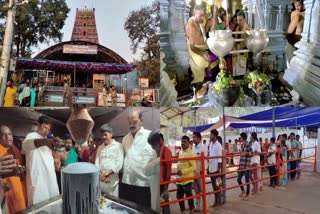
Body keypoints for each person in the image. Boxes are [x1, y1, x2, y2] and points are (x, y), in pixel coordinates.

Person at [22, 116, 61, 206]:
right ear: (38, 125)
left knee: (52, 207)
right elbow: (26, 145)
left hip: (50, 181)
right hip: (38, 182)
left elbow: (52, 160)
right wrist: (44, 142)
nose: (46, 131)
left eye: (48, 129)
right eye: (44, 127)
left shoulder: (48, 141)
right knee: (39, 207)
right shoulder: (31, 136)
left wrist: (56, 152)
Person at [120, 110, 153, 208]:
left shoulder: (149, 136)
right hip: (127, 182)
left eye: (134, 122)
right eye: (129, 123)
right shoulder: (125, 138)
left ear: (141, 120)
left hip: (143, 184)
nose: (132, 125)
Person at [0, 126, 26, 213]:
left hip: (19, 189)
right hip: (6, 192)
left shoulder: (16, 150)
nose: (7, 137)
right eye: (4, 135)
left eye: (9, 134)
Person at [186, 5, 211, 93]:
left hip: (200, 49)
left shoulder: (197, 21)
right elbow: (192, 46)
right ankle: (196, 92)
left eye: (202, 15)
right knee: (199, 71)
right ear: (194, 14)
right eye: (200, 15)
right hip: (196, 52)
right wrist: (202, 54)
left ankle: (200, 90)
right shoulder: (192, 24)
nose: (202, 17)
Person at [95, 124, 123, 197]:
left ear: (111, 134)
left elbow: (119, 164)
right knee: (102, 202)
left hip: (113, 183)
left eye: (105, 135)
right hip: (101, 182)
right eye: (101, 135)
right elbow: (96, 164)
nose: (103, 137)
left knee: (112, 205)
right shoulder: (100, 148)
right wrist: (101, 176)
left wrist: (106, 174)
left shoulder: (118, 146)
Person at [176, 136, 196, 214]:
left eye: (185, 141)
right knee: (179, 196)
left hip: (187, 179)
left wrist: (183, 171)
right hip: (179, 179)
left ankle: (192, 210)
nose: (183, 143)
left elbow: (193, 167)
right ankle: (183, 211)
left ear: (188, 142)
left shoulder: (191, 153)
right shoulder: (180, 152)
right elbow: (180, 163)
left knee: (189, 195)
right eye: (182, 141)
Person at [145, 130, 160, 213]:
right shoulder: (154, 153)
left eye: (155, 145)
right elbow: (146, 170)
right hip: (154, 188)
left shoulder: (164, 153)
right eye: (152, 145)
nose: (153, 147)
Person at [285, 0, 305, 65]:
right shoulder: (294, 13)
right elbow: (291, 29)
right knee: (292, 65)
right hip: (292, 42)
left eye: (298, 5)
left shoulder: (307, 13)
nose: (296, 8)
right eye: (295, 6)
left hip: (302, 43)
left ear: (303, 4)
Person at [191, 132, 207, 211]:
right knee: (196, 190)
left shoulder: (203, 148)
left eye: (195, 137)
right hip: (194, 172)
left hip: (201, 173)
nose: (193, 139)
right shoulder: (193, 148)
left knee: (202, 190)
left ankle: (204, 207)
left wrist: (203, 171)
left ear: (199, 138)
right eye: (193, 137)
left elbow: (205, 160)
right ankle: (197, 207)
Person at [232, 11, 251, 76]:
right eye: (237, 20)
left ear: (244, 19)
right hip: (236, 50)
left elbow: (250, 41)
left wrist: (243, 50)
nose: (238, 22)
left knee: (242, 70)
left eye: (240, 20)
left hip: (243, 51)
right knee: (236, 71)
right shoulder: (237, 27)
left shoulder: (248, 28)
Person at [208, 129, 222, 207]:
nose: (210, 136)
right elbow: (210, 156)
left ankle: (218, 203)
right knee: (214, 188)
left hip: (216, 170)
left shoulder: (218, 145)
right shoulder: (211, 144)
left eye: (211, 135)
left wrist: (219, 171)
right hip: (211, 169)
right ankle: (215, 202)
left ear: (215, 136)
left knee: (218, 187)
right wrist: (208, 168)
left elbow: (220, 159)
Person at [237, 132, 252, 201]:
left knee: (247, 180)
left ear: (242, 138)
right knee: (238, 179)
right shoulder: (242, 145)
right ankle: (243, 190)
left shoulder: (248, 145)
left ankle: (247, 194)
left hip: (247, 165)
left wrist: (246, 153)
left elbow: (252, 153)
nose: (240, 138)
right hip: (242, 165)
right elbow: (241, 156)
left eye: (240, 137)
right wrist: (239, 165)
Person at [160, 133, 172, 214]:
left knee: (165, 201)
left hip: (163, 181)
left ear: (162, 140)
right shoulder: (157, 149)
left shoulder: (165, 150)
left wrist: (166, 184)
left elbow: (168, 168)